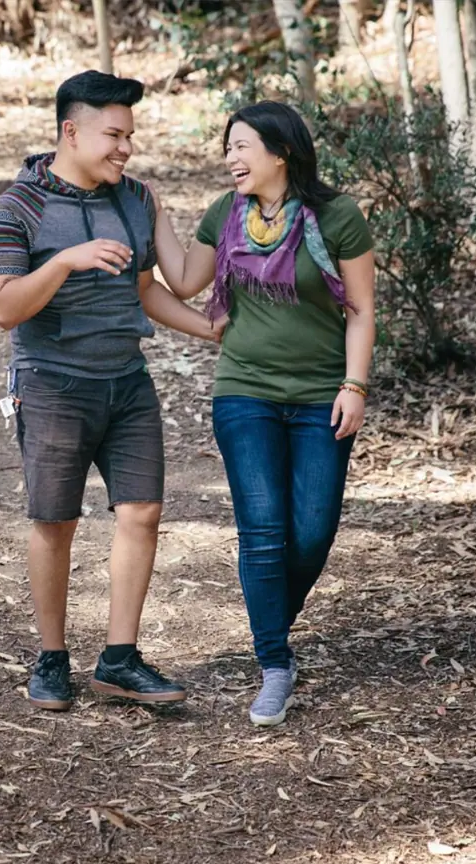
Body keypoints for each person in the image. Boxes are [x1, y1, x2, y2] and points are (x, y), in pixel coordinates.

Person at [0, 70, 226, 711]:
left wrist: (209, 328)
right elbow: (6, 309)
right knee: (55, 522)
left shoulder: (135, 198)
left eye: (130, 136)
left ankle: (119, 659)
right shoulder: (19, 208)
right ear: (71, 131)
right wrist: (65, 260)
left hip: (127, 382)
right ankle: (52, 658)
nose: (125, 147)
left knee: (143, 513)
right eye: (113, 134)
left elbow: (157, 285)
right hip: (51, 384)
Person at [150, 100, 376, 726]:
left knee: (312, 530)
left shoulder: (337, 217)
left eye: (242, 146)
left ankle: (268, 615)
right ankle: (275, 662)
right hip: (243, 390)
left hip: (318, 394)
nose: (231, 158)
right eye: (229, 147)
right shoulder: (227, 214)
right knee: (263, 528)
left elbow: (359, 308)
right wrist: (153, 213)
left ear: (281, 152)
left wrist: (354, 385)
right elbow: (184, 279)